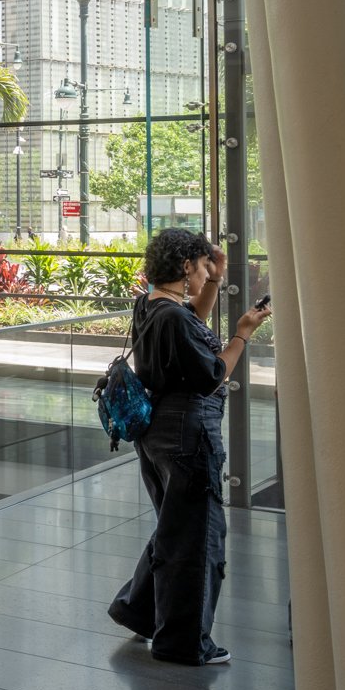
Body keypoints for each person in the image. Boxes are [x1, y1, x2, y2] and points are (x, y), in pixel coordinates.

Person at [109, 228, 270, 666]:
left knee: (175, 527)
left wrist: (215, 279)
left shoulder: (152, 305)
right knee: (199, 537)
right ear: (185, 268)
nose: (205, 275)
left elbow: (193, 317)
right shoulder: (175, 319)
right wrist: (242, 334)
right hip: (188, 433)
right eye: (201, 268)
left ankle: (138, 610)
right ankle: (182, 643)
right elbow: (212, 375)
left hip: (156, 433)